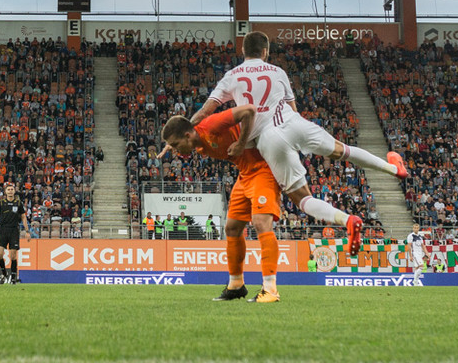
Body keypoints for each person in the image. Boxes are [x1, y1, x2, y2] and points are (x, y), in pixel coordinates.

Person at [190, 31, 407, 256]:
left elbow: (207, 110)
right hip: (293, 122)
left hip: (269, 138)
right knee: (344, 150)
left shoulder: (232, 75)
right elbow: (293, 108)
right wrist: (300, 139)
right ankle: (393, 168)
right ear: (265, 52)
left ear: (243, 51)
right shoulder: (278, 71)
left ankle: (347, 219)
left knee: (302, 198)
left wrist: (182, 131)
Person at [161, 104, 284, 303]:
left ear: (186, 135)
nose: (175, 150)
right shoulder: (196, 141)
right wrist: (171, 141)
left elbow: (249, 111)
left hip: (263, 169)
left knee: (261, 223)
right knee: (232, 228)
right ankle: (236, 285)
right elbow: (187, 125)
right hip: (245, 174)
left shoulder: (211, 125)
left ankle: (270, 289)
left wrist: (242, 142)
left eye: (175, 145)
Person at [0, 182, 29, 284]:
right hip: (3, 230)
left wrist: (27, 231)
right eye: (8, 190)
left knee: (13, 256)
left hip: (14, 231)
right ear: (5, 192)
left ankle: (13, 278)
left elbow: (23, 217)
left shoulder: (18, 203)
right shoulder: (1, 203)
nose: (10, 191)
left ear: (14, 191)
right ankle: (4, 274)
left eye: (12, 189)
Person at [406, 222, 430, 287]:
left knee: (417, 268)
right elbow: (409, 246)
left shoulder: (420, 236)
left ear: (418, 228)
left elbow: (423, 246)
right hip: (415, 253)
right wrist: (410, 256)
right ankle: (415, 281)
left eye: (417, 228)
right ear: (413, 229)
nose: (416, 229)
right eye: (414, 228)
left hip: (420, 253)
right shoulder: (410, 236)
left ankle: (415, 283)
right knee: (421, 267)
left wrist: (426, 253)